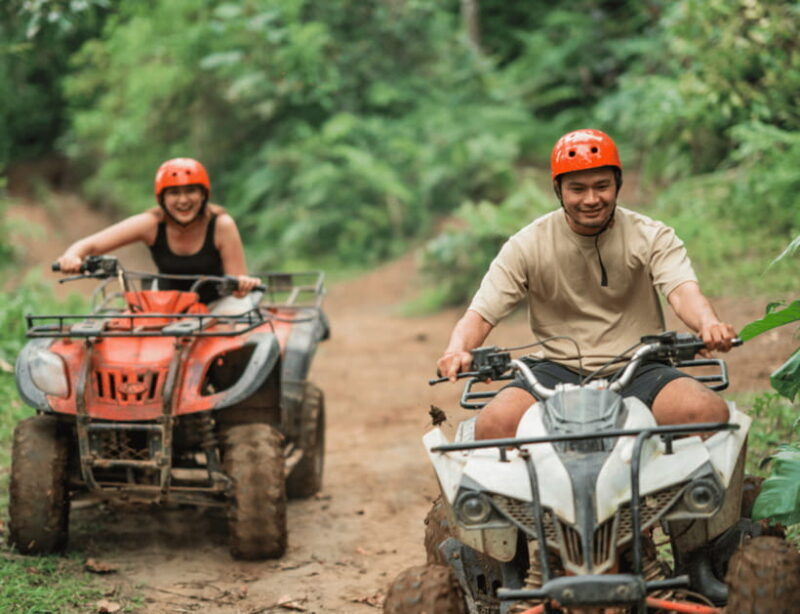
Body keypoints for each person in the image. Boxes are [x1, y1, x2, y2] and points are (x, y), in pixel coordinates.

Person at [436, 129, 737, 440]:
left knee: (707, 413)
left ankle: (684, 490)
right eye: (577, 189)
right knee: (493, 426)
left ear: (618, 184)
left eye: (602, 186)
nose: (591, 199)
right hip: (555, 369)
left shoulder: (651, 235)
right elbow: (481, 314)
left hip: (640, 365)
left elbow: (683, 291)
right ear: (558, 190)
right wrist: (457, 350)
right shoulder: (527, 244)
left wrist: (708, 324)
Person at [56, 157, 261, 306]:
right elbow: (90, 244)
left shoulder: (221, 225)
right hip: (166, 305)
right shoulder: (151, 224)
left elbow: (238, 286)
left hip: (218, 305)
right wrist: (72, 256)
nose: (183, 200)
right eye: (174, 193)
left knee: (242, 336)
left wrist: (242, 285)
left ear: (203, 195)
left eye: (191, 191)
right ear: (161, 199)